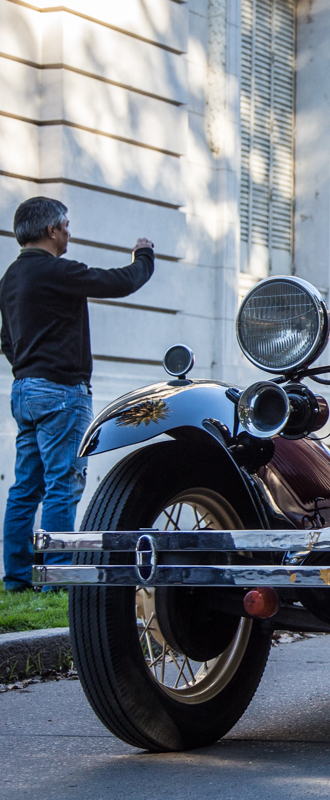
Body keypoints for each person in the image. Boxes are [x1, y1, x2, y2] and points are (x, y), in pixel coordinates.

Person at [1, 197, 156, 592]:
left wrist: (30, 368)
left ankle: (16, 579)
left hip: (25, 390)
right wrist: (144, 257)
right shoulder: (57, 271)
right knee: (63, 484)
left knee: (25, 488)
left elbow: (6, 340)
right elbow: (118, 282)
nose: (69, 233)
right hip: (61, 393)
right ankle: (57, 578)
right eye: (66, 225)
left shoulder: (11, 277)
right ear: (51, 230)